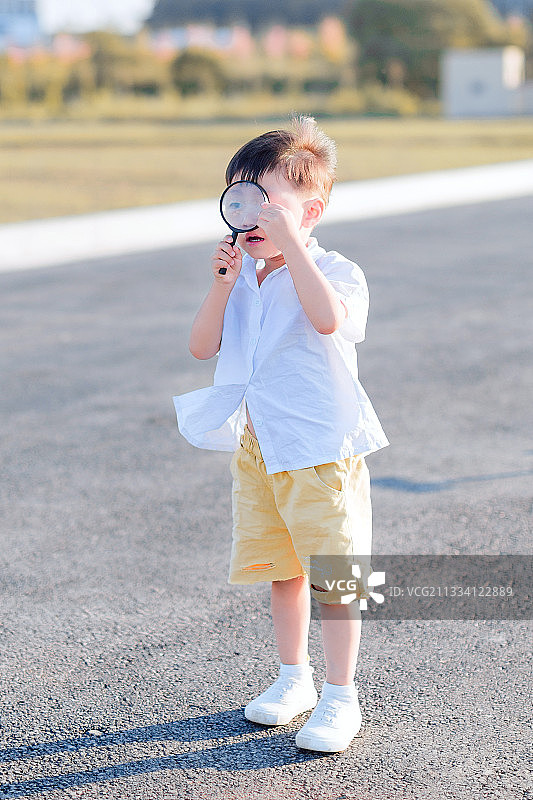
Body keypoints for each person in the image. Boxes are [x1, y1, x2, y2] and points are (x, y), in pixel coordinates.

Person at [173, 115, 389, 752]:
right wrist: (219, 285)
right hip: (260, 448)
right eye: (238, 200)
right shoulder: (241, 275)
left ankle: (342, 695)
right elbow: (200, 347)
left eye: (267, 204)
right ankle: (293, 677)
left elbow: (328, 321)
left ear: (311, 210)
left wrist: (292, 248)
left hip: (323, 448)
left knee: (337, 574)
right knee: (282, 570)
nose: (249, 217)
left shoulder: (337, 271)